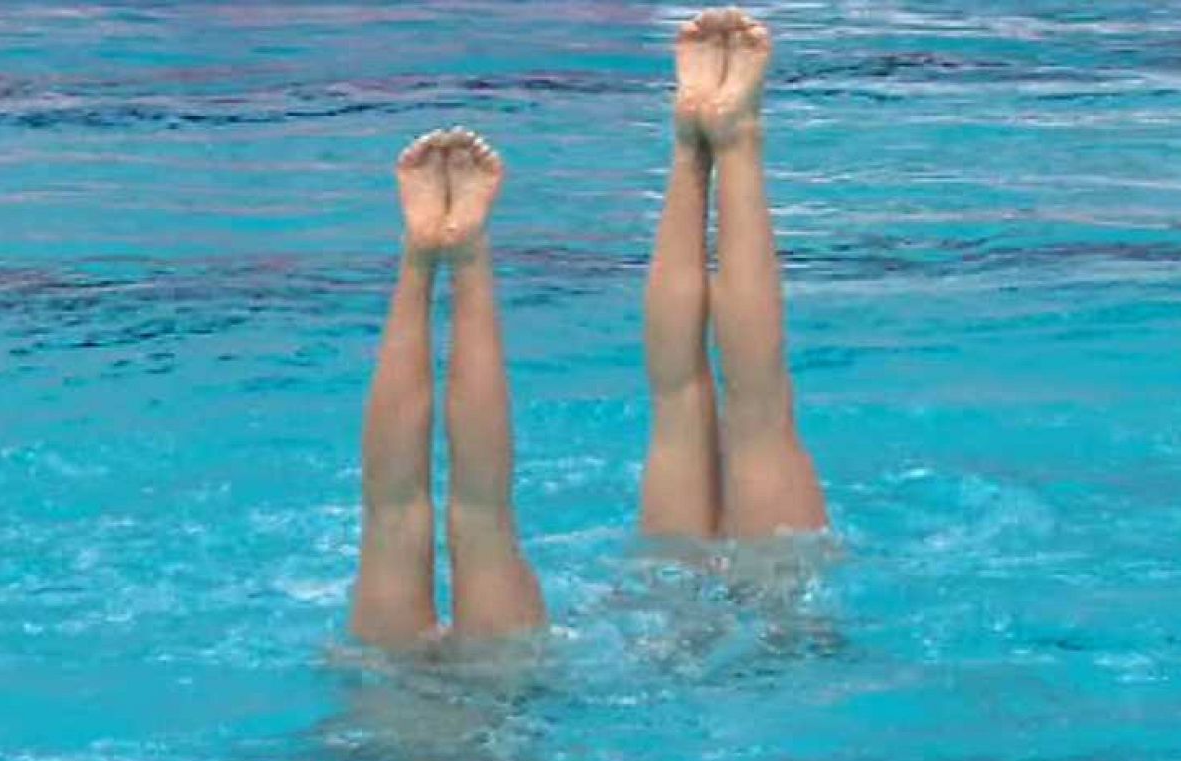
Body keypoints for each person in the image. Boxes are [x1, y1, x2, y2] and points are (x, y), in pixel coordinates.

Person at [349, 8, 827, 648]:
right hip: (476, 685)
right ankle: (711, 140)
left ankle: (448, 258)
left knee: (719, 408)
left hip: (498, 694)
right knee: (438, 518)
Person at [639, 8, 828, 541]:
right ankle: (730, 135)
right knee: (756, 414)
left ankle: (693, 151)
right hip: (773, 609)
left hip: (665, 615)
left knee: (681, 409)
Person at [351, 127, 544, 649]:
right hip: (496, 693)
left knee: (398, 522)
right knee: (479, 522)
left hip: (391, 704)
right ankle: (461, 251)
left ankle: (424, 256)